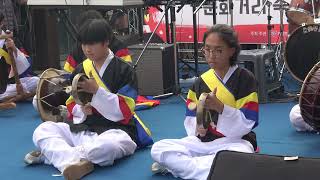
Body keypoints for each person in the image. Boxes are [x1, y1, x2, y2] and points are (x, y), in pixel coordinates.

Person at [25, 19, 152, 180]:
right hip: (84, 128)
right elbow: (71, 102)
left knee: (107, 148)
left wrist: (96, 91)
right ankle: (75, 161)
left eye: (92, 44)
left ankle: (54, 157)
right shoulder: (80, 68)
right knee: (43, 130)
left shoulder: (124, 70)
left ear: (106, 42)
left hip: (115, 131)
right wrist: (81, 109)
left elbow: (125, 110)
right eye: (84, 44)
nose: (86, 49)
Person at [150, 24, 259, 180]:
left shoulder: (245, 79)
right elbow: (191, 117)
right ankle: (210, 169)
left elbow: (248, 121)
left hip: (235, 142)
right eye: (207, 49)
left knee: (240, 157)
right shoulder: (200, 81)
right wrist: (198, 127)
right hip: (203, 141)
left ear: (232, 51)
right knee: (159, 148)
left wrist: (220, 107)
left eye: (218, 50)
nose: (211, 55)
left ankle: (183, 168)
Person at [63, 10, 132, 73]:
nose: (87, 49)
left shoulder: (119, 47)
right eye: (84, 42)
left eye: (92, 43)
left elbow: (126, 74)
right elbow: (68, 74)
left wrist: (95, 87)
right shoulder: (77, 49)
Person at [0, 12, 39, 103]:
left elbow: (23, 64)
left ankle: (16, 93)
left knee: (36, 81)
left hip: (10, 82)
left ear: (1, 23)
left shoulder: (7, 40)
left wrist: (13, 48)